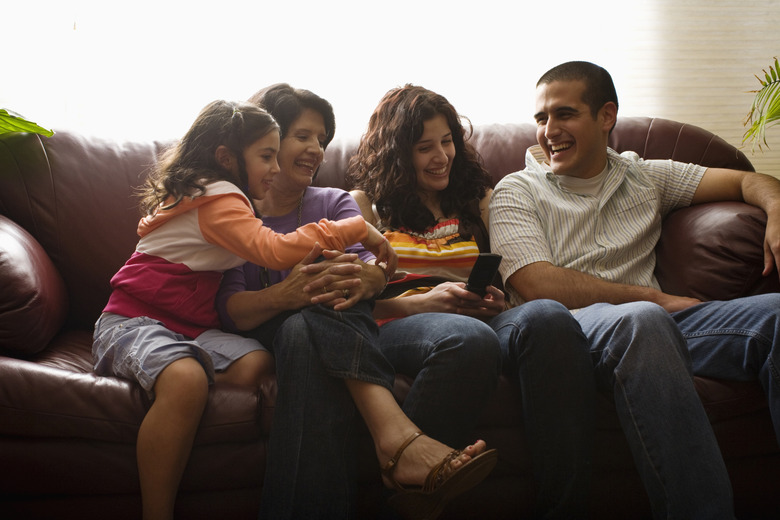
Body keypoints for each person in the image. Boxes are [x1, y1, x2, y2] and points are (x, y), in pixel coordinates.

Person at [491, 60, 780, 519]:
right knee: (643, 320)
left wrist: (777, 208)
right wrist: (655, 299)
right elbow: (535, 281)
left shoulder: (645, 176)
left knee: (775, 315)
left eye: (564, 114)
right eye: (541, 118)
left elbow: (747, 180)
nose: (548, 131)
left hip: (660, 326)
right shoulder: (517, 190)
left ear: (606, 116)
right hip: (571, 334)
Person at [92, 99, 396, 520]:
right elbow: (276, 250)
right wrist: (358, 227)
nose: (275, 168)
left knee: (256, 362)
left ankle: (173, 375)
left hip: (189, 329)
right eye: (266, 157)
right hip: (133, 319)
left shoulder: (225, 198)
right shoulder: (216, 197)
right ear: (226, 158)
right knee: (186, 381)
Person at [215, 84, 499, 520]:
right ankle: (399, 442)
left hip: (353, 327)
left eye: (321, 139)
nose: (316, 149)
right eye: (302, 136)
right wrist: (285, 294)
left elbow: (371, 275)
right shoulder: (235, 212)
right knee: (305, 315)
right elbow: (230, 309)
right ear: (265, 143)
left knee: (466, 337)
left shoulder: (335, 202)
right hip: (275, 334)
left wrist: (371, 279)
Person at [348, 84, 595, 518]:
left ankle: (565, 509)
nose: (441, 156)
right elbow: (354, 306)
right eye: (425, 148)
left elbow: (513, 273)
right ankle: (407, 495)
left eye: (447, 142)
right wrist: (423, 304)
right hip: (399, 323)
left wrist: (498, 302)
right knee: (465, 337)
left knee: (549, 316)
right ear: (397, 154)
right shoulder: (364, 206)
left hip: (477, 318)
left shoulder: (479, 199)